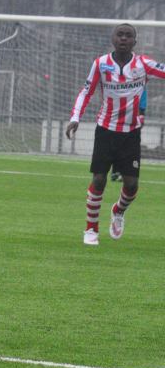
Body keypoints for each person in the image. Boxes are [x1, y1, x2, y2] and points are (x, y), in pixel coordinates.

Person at [65, 23, 165, 246]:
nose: (123, 38)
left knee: (131, 185)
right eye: (120, 34)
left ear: (134, 42)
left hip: (130, 133)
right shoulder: (100, 64)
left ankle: (118, 211)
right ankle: (91, 229)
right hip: (105, 130)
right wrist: (75, 117)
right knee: (99, 178)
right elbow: (86, 91)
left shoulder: (143, 65)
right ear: (113, 38)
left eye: (128, 36)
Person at [111, 88, 146, 182]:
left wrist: (142, 114)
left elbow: (143, 97)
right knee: (117, 144)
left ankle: (124, 172)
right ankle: (115, 171)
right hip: (118, 116)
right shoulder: (120, 81)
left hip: (133, 119)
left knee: (128, 147)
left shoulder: (140, 81)